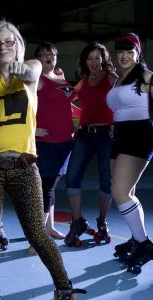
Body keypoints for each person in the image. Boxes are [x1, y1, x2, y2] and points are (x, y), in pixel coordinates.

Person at [0, 20, 85, 300]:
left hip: (24, 165)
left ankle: (63, 287)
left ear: (19, 44)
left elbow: (27, 70)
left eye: (9, 41)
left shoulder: (33, 69)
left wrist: (4, 65)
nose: (3, 47)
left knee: (37, 231)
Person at [106, 33, 153, 273]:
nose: (124, 56)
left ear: (137, 53)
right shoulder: (119, 79)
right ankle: (137, 238)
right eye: (120, 51)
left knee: (120, 191)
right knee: (127, 192)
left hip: (139, 135)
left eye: (129, 51)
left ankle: (144, 244)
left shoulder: (145, 77)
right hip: (120, 136)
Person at [64, 42, 118, 247]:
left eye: (98, 58)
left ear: (104, 59)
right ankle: (77, 222)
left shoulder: (112, 78)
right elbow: (71, 103)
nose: (94, 62)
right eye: (90, 58)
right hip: (85, 133)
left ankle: (102, 222)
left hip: (107, 134)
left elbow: (122, 101)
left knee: (107, 179)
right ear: (84, 61)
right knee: (72, 176)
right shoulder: (82, 82)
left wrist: (117, 123)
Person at [27, 42, 76, 256]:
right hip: (46, 142)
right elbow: (21, 104)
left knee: (51, 185)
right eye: (43, 54)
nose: (48, 57)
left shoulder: (63, 80)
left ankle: (48, 227)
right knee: (45, 186)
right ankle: (38, 239)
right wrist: (32, 128)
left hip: (65, 141)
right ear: (37, 59)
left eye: (52, 54)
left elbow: (73, 106)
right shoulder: (35, 80)